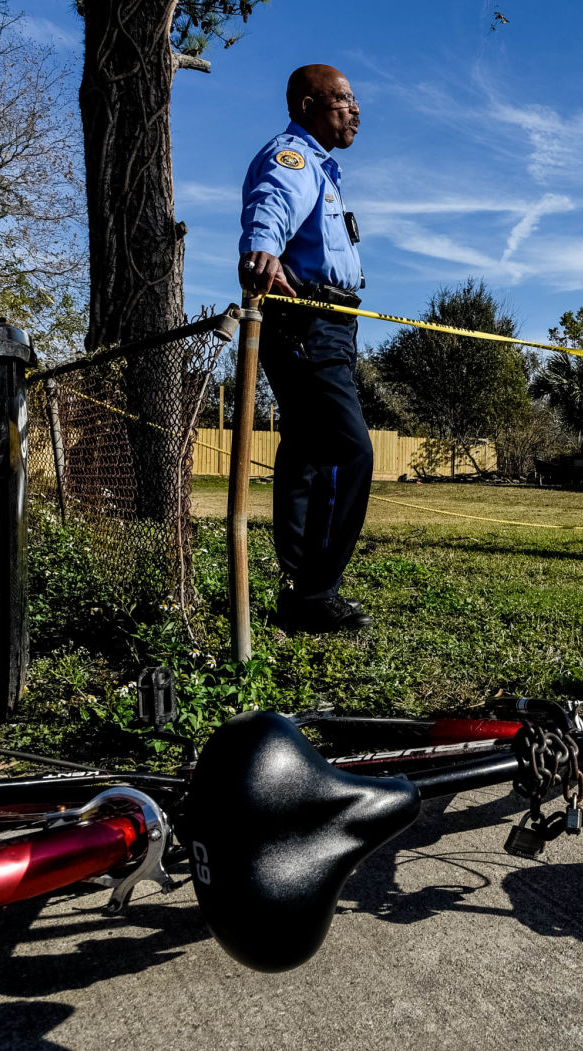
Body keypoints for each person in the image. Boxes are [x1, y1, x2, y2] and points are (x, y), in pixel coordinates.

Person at [238, 64, 372, 634]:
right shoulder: (293, 157)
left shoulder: (324, 169)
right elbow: (271, 205)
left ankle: (301, 590)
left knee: (309, 455)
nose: (355, 109)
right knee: (350, 451)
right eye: (343, 99)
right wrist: (262, 250)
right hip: (308, 319)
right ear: (308, 104)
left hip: (325, 321)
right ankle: (315, 592)